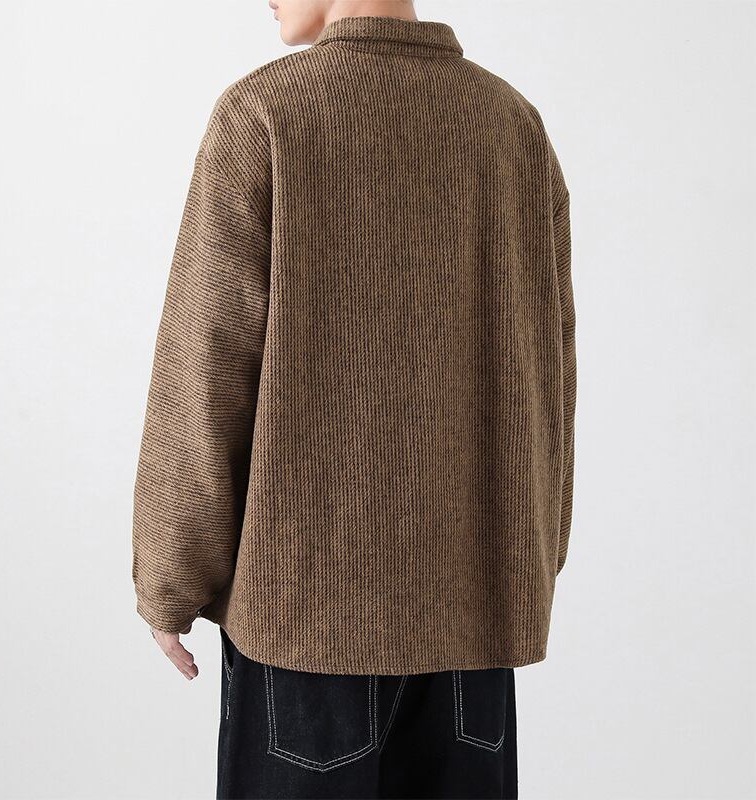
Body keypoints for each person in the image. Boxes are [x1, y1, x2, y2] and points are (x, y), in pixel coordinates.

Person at [132, 0, 575, 797]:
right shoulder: (511, 126)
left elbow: (205, 366)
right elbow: (549, 375)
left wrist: (171, 576)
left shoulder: (266, 115)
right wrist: (529, 565)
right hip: (474, 623)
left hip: (306, 623)